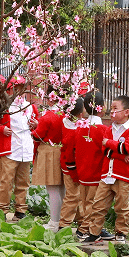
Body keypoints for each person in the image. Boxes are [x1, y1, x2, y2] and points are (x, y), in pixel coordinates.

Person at [81, 95, 129, 244]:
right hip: (107, 174)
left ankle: (121, 231)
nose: (111, 112)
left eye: (115, 109)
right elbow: (104, 150)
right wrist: (120, 154)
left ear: (126, 112)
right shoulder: (109, 129)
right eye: (111, 109)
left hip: (123, 175)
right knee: (98, 204)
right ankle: (95, 232)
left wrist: (110, 144)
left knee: (121, 205)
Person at [0, 79, 38, 220]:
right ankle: (2, 209)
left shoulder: (29, 106)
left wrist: (36, 124)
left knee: (23, 182)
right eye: (15, 88)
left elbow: (36, 123)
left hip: (25, 148)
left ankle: (20, 210)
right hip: (10, 148)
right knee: (6, 181)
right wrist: (2, 129)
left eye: (21, 88)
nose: (18, 91)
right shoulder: (3, 106)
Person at [73, 90, 108, 236]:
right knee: (94, 203)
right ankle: (86, 229)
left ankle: (86, 227)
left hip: (82, 170)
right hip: (96, 171)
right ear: (101, 107)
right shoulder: (104, 130)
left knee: (84, 201)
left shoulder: (79, 127)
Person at [32, 94, 67, 231]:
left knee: (52, 188)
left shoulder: (48, 116)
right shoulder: (66, 115)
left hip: (49, 151)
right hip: (61, 150)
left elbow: (38, 135)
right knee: (61, 188)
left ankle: (54, 222)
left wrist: (34, 128)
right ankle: (62, 220)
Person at [59, 97, 87, 230]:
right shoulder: (76, 129)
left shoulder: (65, 121)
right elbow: (71, 153)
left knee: (77, 195)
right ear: (80, 114)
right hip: (72, 167)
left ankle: (81, 219)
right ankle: (64, 224)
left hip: (68, 165)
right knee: (72, 196)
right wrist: (75, 173)